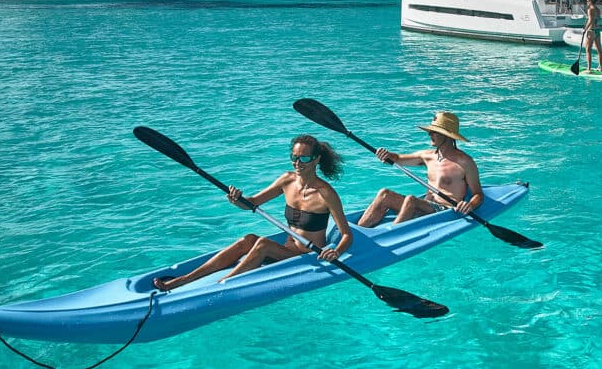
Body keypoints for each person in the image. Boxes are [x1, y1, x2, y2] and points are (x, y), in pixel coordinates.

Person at [153, 135, 353, 291]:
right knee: (249, 239)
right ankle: (183, 280)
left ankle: (221, 284)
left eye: (304, 158)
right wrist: (237, 199)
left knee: (263, 244)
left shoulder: (325, 193)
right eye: (294, 157)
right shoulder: (287, 180)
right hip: (287, 249)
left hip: (308, 256)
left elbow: (346, 234)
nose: (298, 163)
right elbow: (253, 203)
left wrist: (335, 251)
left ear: (316, 159)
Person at [356, 112, 484, 227]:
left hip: (444, 210)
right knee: (385, 194)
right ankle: (359, 232)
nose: (429, 134)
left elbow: (478, 194)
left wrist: (470, 205)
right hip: (424, 205)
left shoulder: (465, 162)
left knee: (411, 200)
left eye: (434, 132)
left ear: (447, 135)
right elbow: (398, 158)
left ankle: (391, 234)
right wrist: (387, 155)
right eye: (430, 131)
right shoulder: (427, 156)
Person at [585, 0, 602, 71]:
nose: (587, 3)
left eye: (587, 1)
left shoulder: (590, 10)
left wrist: (585, 29)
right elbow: (598, 19)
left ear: (590, 1)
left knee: (588, 50)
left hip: (591, 30)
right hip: (597, 30)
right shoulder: (598, 10)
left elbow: (590, 20)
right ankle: (600, 67)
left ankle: (588, 68)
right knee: (599, 49)